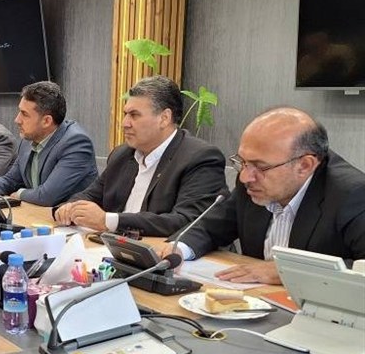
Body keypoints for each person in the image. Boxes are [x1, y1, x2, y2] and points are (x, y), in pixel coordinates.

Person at [163, 107, 365, 285]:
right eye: (243, 162)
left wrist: (288, 271)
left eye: (260, 166)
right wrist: (179, 249)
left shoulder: (352, 195)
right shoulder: (252, 182)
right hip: (254, 301)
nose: (245, 176)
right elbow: (211, 227)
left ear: (305, 165)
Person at [54, 75, 227, 237]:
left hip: (164, 253)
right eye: (125, 114)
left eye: (134, 115)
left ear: (164, 118)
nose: (125, 123)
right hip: (112, 248)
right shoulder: (122, 155)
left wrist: (109, 221)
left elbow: (187, 221)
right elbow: (90, 195)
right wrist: (70, 208)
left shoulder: (200, 158)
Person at [0, 81, 97, 206]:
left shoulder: (76, 143)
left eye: (24, 114)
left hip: (69, 221)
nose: (17, 120)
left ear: (46, 121)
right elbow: (11, 180)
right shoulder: (28, 140)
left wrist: (19, 194)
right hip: (36, 215)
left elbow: (47, 196)